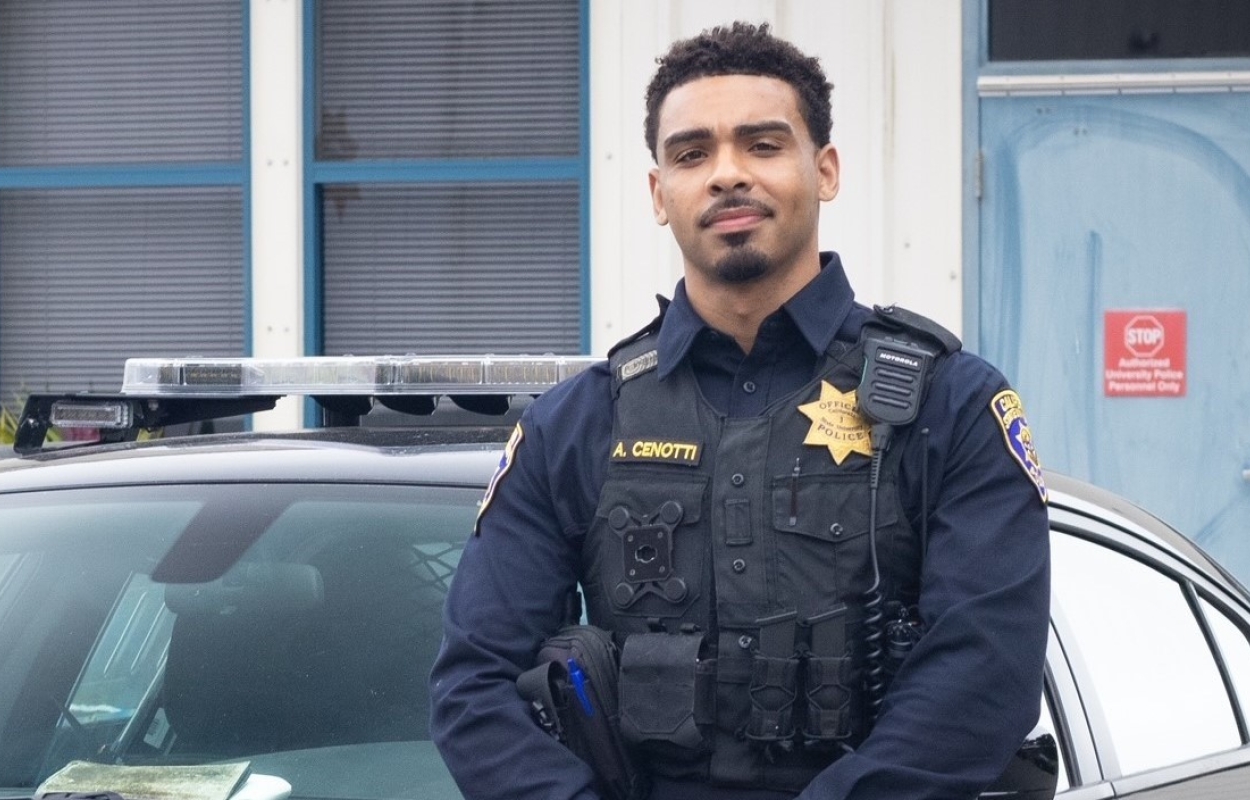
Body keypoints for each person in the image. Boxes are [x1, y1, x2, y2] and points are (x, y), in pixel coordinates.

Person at [428, 22, 1050, 800]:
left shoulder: (950, 406)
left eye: (762, 145)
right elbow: (475, 687)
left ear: (824, 170)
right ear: (660, 194)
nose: (726, 175)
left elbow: (982, 678)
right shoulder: (576, 423)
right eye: (692, 154)